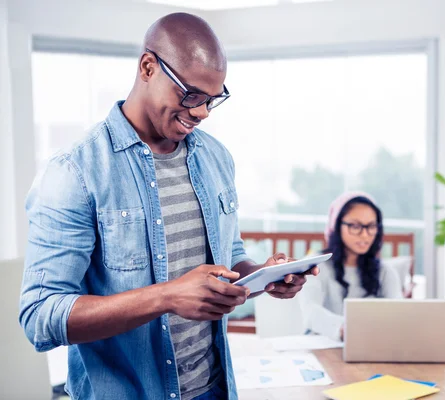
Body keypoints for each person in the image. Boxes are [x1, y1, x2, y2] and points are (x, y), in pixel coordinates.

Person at [19, 13, 317, 400]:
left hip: (214, 390)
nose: (202, 112)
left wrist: (260, 276)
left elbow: (231, 258)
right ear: (148, 67)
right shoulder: (74, 172)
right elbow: (41, 317)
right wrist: (167, 296)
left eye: (213, 99)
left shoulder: (216, 158)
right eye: (191, 95)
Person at [299, 191, 402, 341]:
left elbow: (399, 315)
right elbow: (311, 313)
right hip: (323, 350)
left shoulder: (385, 272)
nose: (365, 235)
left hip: (372, 349)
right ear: (336, 226)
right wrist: (345, 329)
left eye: (371, 226)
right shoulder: (315, 265)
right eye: (355, 226)